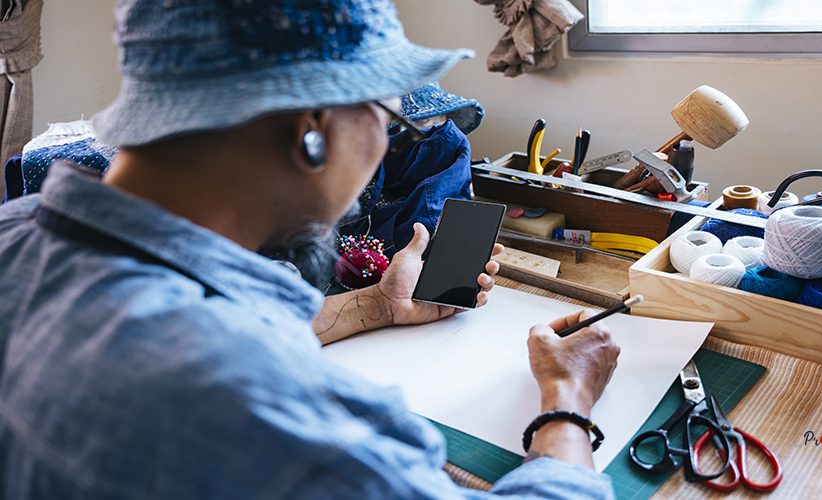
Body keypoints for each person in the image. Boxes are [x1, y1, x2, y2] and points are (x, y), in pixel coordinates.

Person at [0, 1, 620, 498]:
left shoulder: (16, 237)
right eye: (390, 122)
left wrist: (376, 305)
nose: (382, 152)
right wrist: (566, 401)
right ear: (313, 131)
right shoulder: (261, 402)